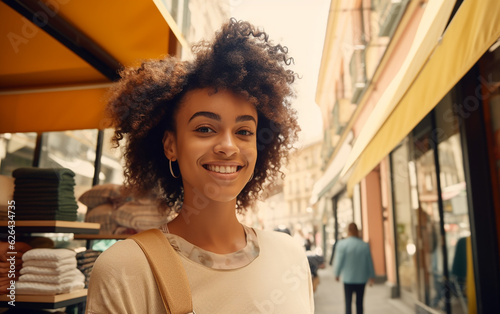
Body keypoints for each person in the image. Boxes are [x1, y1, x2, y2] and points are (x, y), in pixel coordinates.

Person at [86, 18, 314, 313]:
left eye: (244, 132)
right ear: (170, 145)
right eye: (205, 129)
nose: (228, 146)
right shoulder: (125, 269)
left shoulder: (291, 256)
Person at [333, 223, 375, 314]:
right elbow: (369, 262)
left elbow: (339, 260)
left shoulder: (342, 244)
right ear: (357, 231)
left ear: (348, 231)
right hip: (361, 279)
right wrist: (372, 275)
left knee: (348, 303)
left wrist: (337, 274)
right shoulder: (364, 245)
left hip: (348, 279)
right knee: (359, 303)